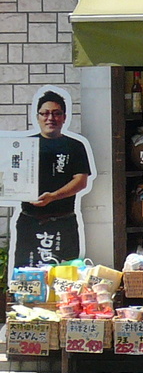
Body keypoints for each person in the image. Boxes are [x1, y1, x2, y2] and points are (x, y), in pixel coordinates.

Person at [12, 90, 94, 267]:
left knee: (65, 276)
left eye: (56, 113)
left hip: (63, 221)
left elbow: (81, 181)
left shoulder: (75, 146)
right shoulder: (24, 146)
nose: (51, 118)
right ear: (38, 117)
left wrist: (53, 196)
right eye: (45, 113)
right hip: (30, 221)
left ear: (64, 117)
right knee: (27, 275)